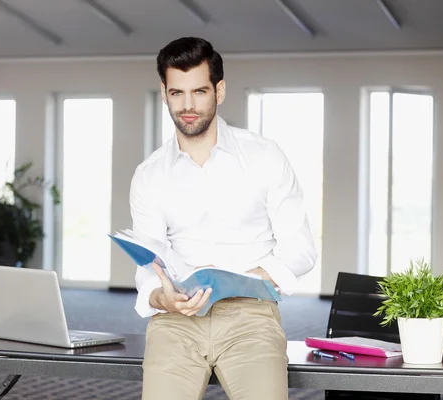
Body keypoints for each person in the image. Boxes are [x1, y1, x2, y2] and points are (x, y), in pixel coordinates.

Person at [130, 36, 318, 400]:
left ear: (219, 91)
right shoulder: (149, 174)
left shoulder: (264, 156)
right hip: (176, 322)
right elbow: (147, 266)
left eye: (199, 91)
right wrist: (161, 298)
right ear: (164, 92)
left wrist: (248, 280)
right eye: (176, 93)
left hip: (251, 318)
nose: (187, 105)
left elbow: (301, 250)